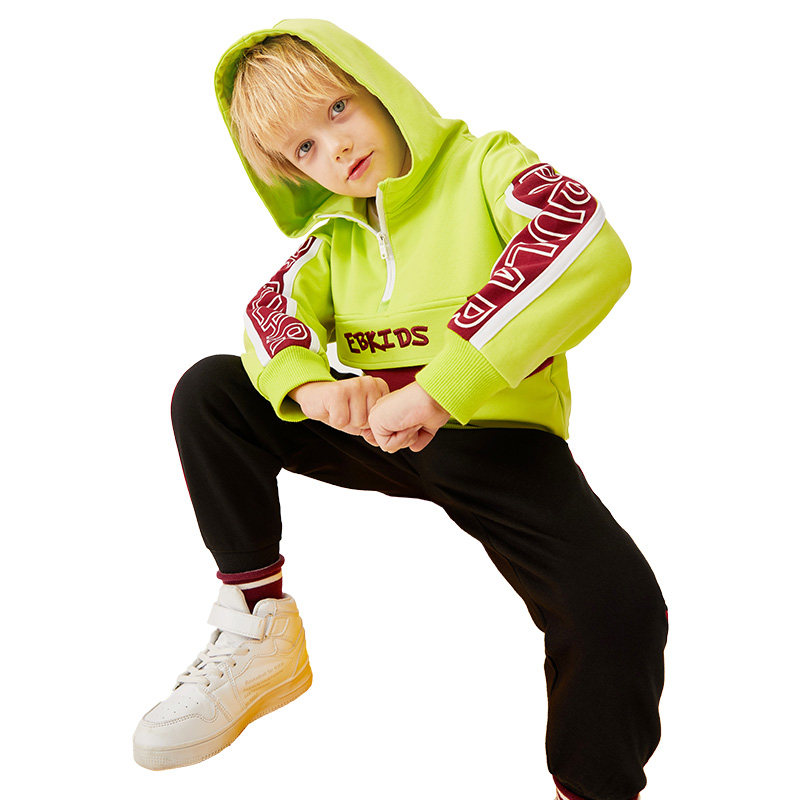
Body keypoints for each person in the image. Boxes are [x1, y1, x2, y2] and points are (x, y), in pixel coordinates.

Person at [132, 19, 668, 800]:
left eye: (337, 109)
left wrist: (441, 387)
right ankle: (257, 621)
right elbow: (267, 315)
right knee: (213, 390)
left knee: (618, 606)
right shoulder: (333, 233)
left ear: (379, 87)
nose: (335, 148)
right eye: (305, 148)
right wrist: (315, 387)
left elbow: (584, 245)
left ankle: (590, 790)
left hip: (500, 444)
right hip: (382, 433)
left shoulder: (486, 164)